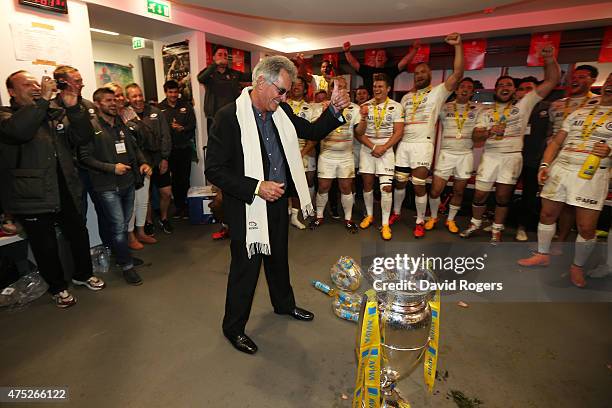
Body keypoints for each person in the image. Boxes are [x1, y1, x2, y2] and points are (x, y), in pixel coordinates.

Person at [205, 56, 350, 354]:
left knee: (278, 258)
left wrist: (334, 110)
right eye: (281, 90)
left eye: (286, 91)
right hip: (248, 205)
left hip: (277, 199)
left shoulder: (280, 110)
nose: (285, 97)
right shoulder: (229, 116)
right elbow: (215, 170)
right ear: (260, 82)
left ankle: (283, 305)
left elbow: (309, 131)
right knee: (246, 269)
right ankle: (233, 328)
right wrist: (257, 187)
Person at [0, 71, 105, 308]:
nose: (36, 87)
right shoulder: (6, 116)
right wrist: (43, 101)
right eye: (27, 85)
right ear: (11, 92)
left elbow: (83, 138)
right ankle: (57, 288)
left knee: (79, 234)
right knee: (45, 246)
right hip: (31, 194)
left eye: (36, 83)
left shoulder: (50, 114)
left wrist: (74, 109)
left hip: (63, 188)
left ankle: (83, 275)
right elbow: (20, 131)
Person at [518, 73, 612, 288]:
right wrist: (545, 165)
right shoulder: (582, 110)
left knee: (586, 227)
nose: (611, 86)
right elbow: (556, 142)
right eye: (609, 81)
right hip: (562, 168)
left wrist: (610, 150)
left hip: (592, 174)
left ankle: (577, 267)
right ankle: (543, 254)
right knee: (547, 214)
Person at [460, 46, 560, 243]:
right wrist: (489, 132)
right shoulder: (485, 112)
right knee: (480, 194)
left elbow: (551, 81)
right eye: (500, 85)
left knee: (503, 197)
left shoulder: (524, 104)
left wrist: (549, 59)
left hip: (512, 156)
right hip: (490, 156)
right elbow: (476, 138)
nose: (504, 88)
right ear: (496, 90)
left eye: (508, 85)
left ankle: (497, 229)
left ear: (514, 90)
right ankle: (475, 223)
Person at [392, 32, 464, 238]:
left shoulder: (438, 92)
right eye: (417, 73)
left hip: (423, 145)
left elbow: (458, 73)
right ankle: (396, 213)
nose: (419, 75)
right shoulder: (406, 98)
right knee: (399, 182)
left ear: (430, 75)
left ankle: (420, 220)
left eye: (423, 72)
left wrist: (458, 46)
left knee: (418, 185)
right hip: (404, 145)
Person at [78, 87, 152, 286]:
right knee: (119, 227)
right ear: (97, 104)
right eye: (108, 100)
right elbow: (84, 158)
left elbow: (133, 148)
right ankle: (127, 265)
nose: (113, 103)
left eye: (114, 100)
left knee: (125, 222)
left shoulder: (120, 123)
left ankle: (122, 255)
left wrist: (143, 162)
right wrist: (112, 168)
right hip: (107, 186)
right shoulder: (90, 127)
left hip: (127, 183)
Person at [547, 65, 600, 248]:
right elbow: (550, 133)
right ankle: (550, 243)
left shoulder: (598, 103)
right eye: (574, 77)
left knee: (572, 204)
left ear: (593, 80)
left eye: (582, 76)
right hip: (556, 158)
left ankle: (561, 241)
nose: (576, 80)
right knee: (554, 202)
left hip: (584, 161)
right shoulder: (557, 104)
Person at [425, 77, 481, 234]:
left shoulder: (478, 109)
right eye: (462, 86)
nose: (465, 89)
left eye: (469, 87)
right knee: (435, 190)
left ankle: (450, 219)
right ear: (456, 90)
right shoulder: (445, 107)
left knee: (459, 191)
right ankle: (434, 217)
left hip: (465, 155)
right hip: (446, 153)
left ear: (472, 92)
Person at [354, 73, 405, 240]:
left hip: (386, 150)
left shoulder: (397, 106)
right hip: (368, 148)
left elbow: (399, 132)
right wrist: (362, 116)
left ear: (388, 88)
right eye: (375, 86)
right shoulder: (365, 106)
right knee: (367, 185)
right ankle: (369, 215)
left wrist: (383, 147)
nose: (377, 89)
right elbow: (358, 134)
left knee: (386, 189)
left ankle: (385, 223)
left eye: (380, 86)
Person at [310, 76, 362, 233]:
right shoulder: (320, 107)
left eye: (342, 87)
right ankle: (319, 216)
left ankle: (348, 219)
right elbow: (313, 129)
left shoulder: (355, 108)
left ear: (347, 90)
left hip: (346, 155)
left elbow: (360, 132)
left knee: (346, 187)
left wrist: (364, 119)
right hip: (326, 154)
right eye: (335, 87)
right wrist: (327, 111)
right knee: (324, 186)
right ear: (330, 89)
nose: (339, 90)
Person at [125, 83, 173, 235]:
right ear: (128, 98)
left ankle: (164, 218)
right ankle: (149, 222)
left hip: (159, 159)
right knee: (146, 196)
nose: (138, 99)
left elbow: (166, 135)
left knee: (166, 192)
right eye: (134, 96)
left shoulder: (156, 112)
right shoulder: (125, 115)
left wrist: (165, 158)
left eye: (140, 95)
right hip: (142, 163)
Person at [514, 76, 552, 241]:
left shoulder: (547, 108)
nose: (525, 92)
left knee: (529, 195)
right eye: (521, 89)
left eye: (529, 88)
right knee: (504, 193)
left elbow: (552, 137)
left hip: (533, 159)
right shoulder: (512, 109)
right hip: (512, 158)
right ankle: (498, 223)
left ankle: (522, 227)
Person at [158, 80, 197, 220]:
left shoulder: (186, 105)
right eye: (170, 92)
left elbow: (192, 125)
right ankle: (178, 206)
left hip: (184, 148)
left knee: (184, 178)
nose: (173, 95)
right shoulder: (159, 108)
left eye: (175, 92)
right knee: (173, 180)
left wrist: (182, 128)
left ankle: (186, 207)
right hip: (168, 151)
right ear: (166, 92)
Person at [197, 45, 251, 132]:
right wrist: (215, 65)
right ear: (214, 57)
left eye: (225, 55)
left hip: (232, 114)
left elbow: (250, 76)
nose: (223, 57)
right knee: (216, 142)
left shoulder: (233, 73)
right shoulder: (209, 72)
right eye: (220, 54)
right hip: (214, 116)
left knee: (233, 141)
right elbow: (201, 79)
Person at [287, 76, 317, 229]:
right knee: (283, 183)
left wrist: (302, 152)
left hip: (303, 150)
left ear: (305, 89)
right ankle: (287, 211)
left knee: (300, 184)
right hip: (284, 150)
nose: (296, 87)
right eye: (294, 85)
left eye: (300, 85)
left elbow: (314, 134)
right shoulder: (282, 105)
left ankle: (295, 215)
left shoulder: (311, 108)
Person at [343, 40, 421, 93]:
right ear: (375, 58)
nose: (380, 57)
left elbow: (405, 62)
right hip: (368, 104)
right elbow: (353, 63)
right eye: (378, 55)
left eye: (383, 55)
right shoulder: (367, 70)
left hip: (386, 105)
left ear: (386, 59)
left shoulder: (390, 71)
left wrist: (415, 49)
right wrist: (347, 52)